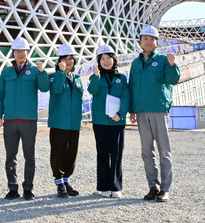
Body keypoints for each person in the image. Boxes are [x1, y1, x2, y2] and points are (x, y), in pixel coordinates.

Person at [128, 25, 180, 203]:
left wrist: (172, 65)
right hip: (141, 112)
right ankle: (153, 186)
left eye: (152, 39)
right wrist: (132, 110)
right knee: (146, 152)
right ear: (140, 42)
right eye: (145, 39)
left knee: (164, 151)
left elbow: (173, 79)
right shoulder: (135, 63)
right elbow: (132, 86)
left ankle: (165, 189)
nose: (148, 42)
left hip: (159, 110)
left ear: (157, 42)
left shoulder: (164, 60)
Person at [0, 37, 49, 200]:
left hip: (28, 121)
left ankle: (28, 188)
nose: (20, 54)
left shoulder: (35, 70)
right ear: (13, 53)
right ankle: (13, 188)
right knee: (10, 156)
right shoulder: (6, 72)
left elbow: (44, 88)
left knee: (29, 156)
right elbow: (0, 96)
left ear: (27, 52)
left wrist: (42, 72)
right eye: (17, 51)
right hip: (10, 121)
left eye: (22, 51)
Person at [87, 45, 129, 198]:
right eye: (102, 59)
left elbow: (126, 97)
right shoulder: (95, 77)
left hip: (117, 122)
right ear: (98, 61)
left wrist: (121, 114)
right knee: (103, 154)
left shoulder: (121, 78)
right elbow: (93, 91)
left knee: (117, 154)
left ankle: (116, 186)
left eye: (108, 58)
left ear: (114, 60)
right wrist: (96, 76)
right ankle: (104, 186)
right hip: (100, 122)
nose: (106, 61)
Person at [44, 43, 85, 198]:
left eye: (71, 59)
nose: (68, 62)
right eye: (65, 59)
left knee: (72, 153)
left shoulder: (78, 79)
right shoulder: (54, 77)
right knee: (58, 152)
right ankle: (59, 182)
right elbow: (57, 89)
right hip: (59, 122)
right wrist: (61, 72)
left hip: (74, 123)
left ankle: (67, 180)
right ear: (59, 61)